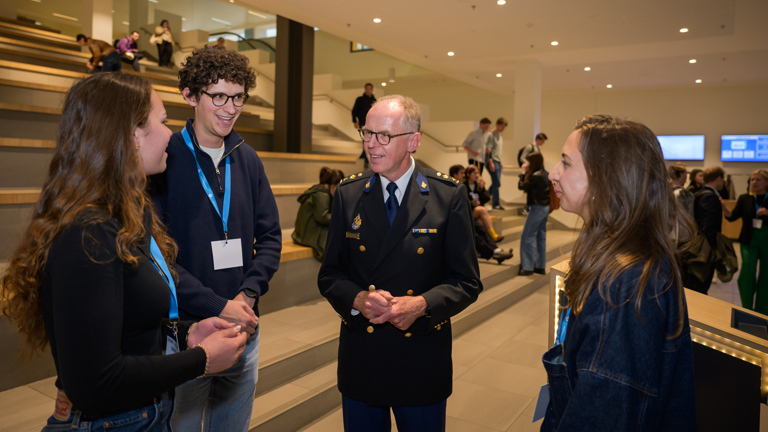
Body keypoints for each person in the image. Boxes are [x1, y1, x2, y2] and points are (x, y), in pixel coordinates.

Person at [0, 72, 248, 431]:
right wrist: (201, 360)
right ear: (131, 135)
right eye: (162, 122)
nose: (171, 134)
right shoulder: (88, 233)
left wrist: (185, 334)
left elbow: (129, 321)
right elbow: (97, 383)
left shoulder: (124, 213)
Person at [319, 95, 482, 432]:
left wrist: (422, 304)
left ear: (414, 141)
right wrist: (359, 299)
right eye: (367, 133)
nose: (371, 145)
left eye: (384, 136)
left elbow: (466, 281)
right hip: (362, 356)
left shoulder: (447, 195)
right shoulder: (349, 194)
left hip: (420, 357)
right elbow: (330, 274)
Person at [149, 46, 282, 432]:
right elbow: (155, 254)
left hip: (244, 326)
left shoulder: (248, 158)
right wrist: (215, 304)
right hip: (187, 333)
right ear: (190, 96)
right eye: (218, 96)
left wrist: (247, 295)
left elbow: (271, 237)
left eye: (238, 96)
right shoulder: (164, 158)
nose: (230, 108)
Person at [542, 114, 697, 431]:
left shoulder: (623, 285)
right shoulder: (614, 260)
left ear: (606, 178)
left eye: (566, 163)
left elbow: (603, 413)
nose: (552, 174)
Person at [722, 170, 768, 314]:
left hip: (766, 239)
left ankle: (762, 310)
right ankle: (747, 309)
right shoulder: (745, 198)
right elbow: (732, 216)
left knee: (766, 274)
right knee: (747, 271)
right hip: (748, 240)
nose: (754, 182)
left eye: (758, 180)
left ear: (766, 182)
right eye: (752, 179)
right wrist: (723, 206)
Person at [686, 166, 726, 294]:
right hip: (704, 248)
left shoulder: (701, 193)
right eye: (722, 179)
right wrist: (713, 246)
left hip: (697, 242)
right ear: (718, 178)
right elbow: (708, 225)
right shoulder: (709, 196)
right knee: (701, 281)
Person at [292, 167, 343, 262]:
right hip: (310, 234)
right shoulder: (322, 194)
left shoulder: (319, 190)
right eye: (338, 186)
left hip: (305, 231)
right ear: (332, 184)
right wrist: (341, 217)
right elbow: (322, 217)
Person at [464, 165, 512, 263]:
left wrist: (482, 189)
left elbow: (486, 200)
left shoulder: (478, 185)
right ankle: (493, 237)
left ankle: (494, 250)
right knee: (482, 210)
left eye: (478, 173)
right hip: (468, 212)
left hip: (475, 214)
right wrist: (471, 203)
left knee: (481, 222)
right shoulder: (463, 186)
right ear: (468, 174)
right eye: (475, 173)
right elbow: (461, 203)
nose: (477, 175)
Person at [517, 153, 550, 276]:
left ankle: (527, 267)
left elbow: (522, 186)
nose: (528, 164)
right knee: (541, 237)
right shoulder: (545, 173)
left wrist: (523, 172)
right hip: (545, 207)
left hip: (537, 208)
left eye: (529, 162)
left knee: (527, 236)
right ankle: (540, 266)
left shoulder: (535, 176)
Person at [352, 83, 376, 169]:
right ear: (365, 89)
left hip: (372, 127)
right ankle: (365, 161)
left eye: (370, 89)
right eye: (367, 88)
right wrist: (355, 121)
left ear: (372, 90)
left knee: (368, 143)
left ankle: (362, 159)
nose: (368, 90)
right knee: (366, 142)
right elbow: (354, 110)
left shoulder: (374, 100)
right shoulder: (360, 99)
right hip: (363, 125)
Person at [486, 117, 507, 210]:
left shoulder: (500, 136)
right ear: (497, 124)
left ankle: (487, 198)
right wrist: (491, 162)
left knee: (496, 183)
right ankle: (494, 202)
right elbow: (488, 150)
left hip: (498, 161)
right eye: (502, 126)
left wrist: (500, 162)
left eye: (504, 127)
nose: (503, 129)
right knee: (497, 183)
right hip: (492, 161)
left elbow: (498, 151)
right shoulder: (491, 135)